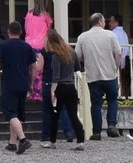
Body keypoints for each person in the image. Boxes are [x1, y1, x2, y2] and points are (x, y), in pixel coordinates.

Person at [0, 20, 39, 154]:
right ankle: (12, 143)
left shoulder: (3, 45)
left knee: (9, 112)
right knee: (16, 114)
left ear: (8, 32)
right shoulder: (27, 47)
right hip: (23, 84)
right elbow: (34, 67)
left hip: (9, 83)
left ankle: (23, 140)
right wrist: (31, 83)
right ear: (21, 32)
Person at [78, 11, 123, 139]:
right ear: (100, 22)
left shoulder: (83, 37)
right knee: (112, 99)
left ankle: (96, 132)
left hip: (93, 75)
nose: (105, 23)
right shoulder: (110, 35)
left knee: (96, 103)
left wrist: (87, 60)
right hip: (109, 74)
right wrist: (115, 68)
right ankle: (111, 125)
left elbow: (78, 56)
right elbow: (118, 53)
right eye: (104, 21)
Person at [44, 29, 85, 147]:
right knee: (73, 115)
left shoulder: (56, 56)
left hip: (60, 88)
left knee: (54, 115)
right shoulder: (72, 52)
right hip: (71, 87)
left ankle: (52, 141)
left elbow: (56, 77)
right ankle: (80, 141)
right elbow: (78, 68)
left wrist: (52, 91)